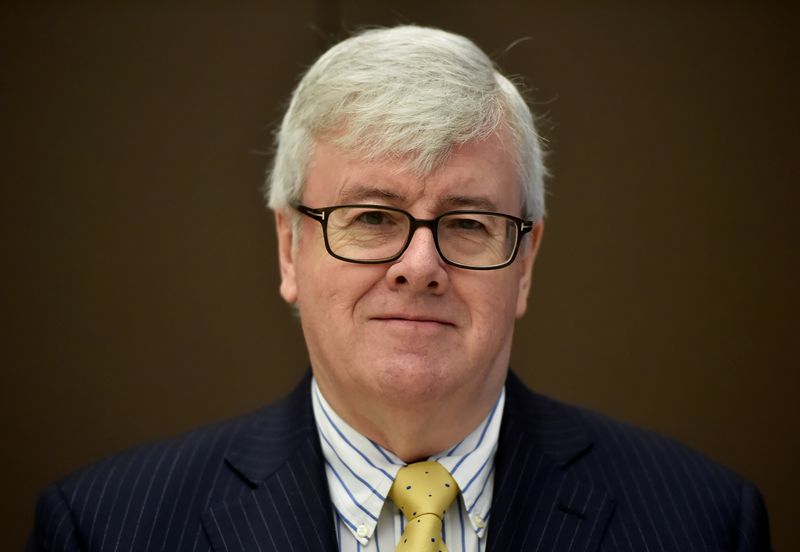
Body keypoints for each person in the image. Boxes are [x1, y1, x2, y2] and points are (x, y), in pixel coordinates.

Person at [29, 25, 771, 551]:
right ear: (289, 248)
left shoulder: (704, 523)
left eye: (468, 223)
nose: (419, 265)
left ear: (526, 264)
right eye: (372, 217)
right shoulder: (105, 527)